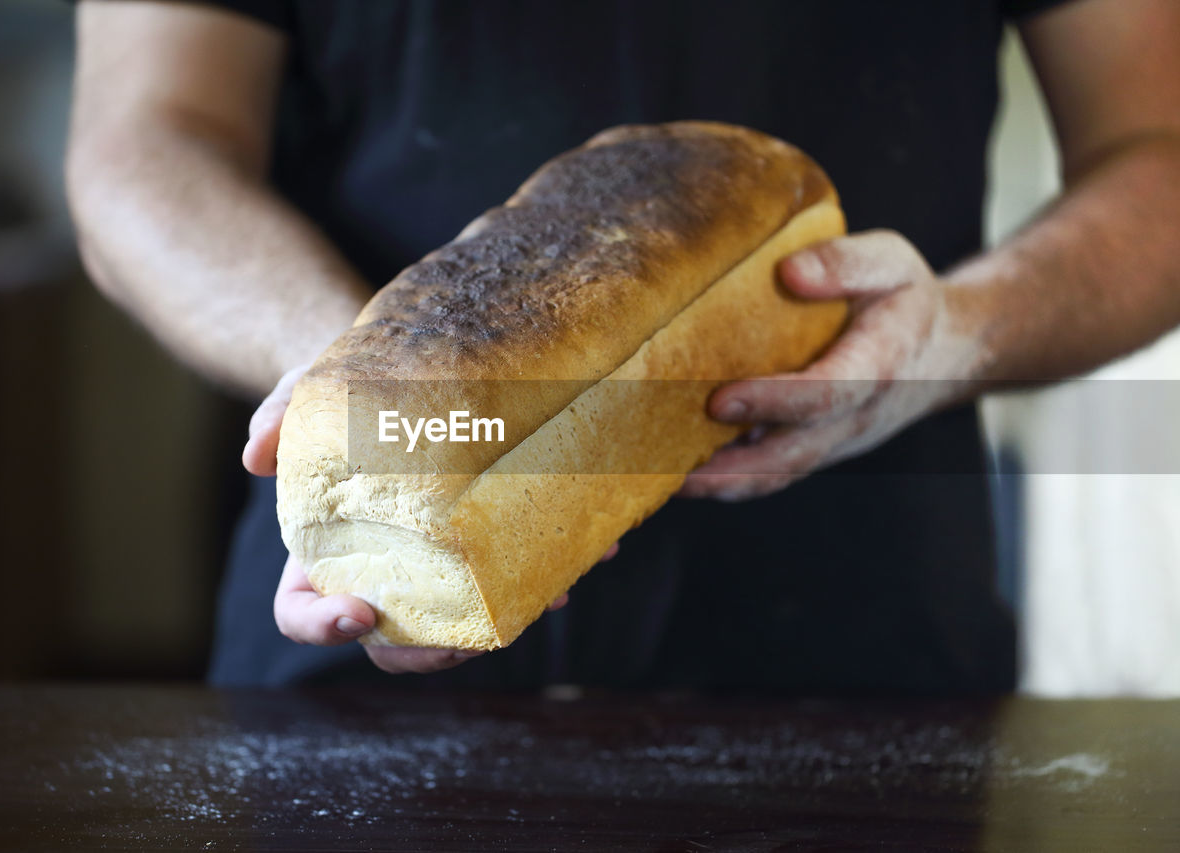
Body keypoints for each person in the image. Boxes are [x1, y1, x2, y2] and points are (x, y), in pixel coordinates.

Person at [66, 0, 1180, 690]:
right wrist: (369, 384)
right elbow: (141, 140)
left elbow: (1157, 154)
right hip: (351, 652)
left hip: (851, 656)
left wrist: (957, 333)